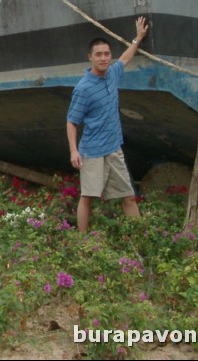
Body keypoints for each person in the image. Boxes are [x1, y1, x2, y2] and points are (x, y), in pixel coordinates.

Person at [66, 16, 149, 233]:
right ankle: (82, 241)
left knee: (129, 197)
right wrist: (74, 151)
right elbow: (71, 121)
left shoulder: (112, 74)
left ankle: (141, 239)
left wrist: (138, 38)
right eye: (98, 55)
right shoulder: (83, 88)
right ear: (90, 58)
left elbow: (125, 59)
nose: (103, 58)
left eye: (106, 54)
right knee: (88, 197)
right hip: (92, 152)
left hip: (113, 148)